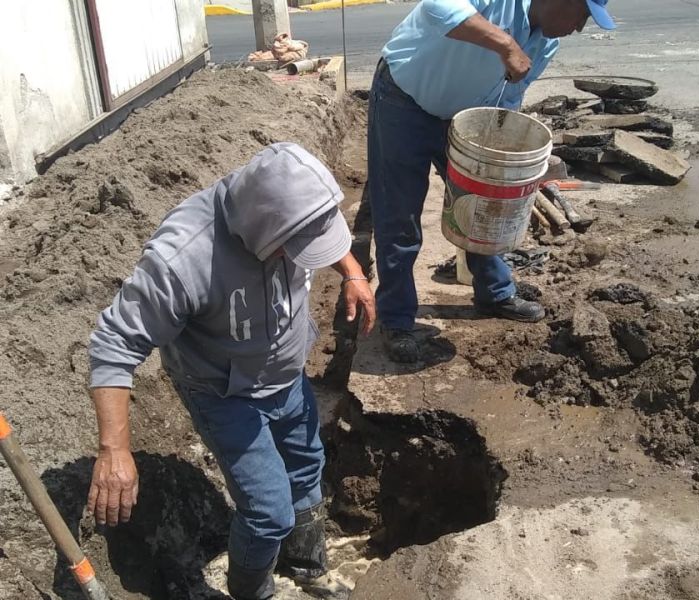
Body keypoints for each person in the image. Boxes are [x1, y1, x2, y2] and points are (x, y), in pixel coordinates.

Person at [85, 143, 375, 600]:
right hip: (224, 392)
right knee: (268, 513)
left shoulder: (291, 211)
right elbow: (114, 343)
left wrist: (352, 271)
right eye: (297, 248)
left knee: (306, 465)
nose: (305, 255)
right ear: (262, 229)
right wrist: (114, 450)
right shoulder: (183, 260)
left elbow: (318, 224)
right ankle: (252, 590)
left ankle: (305, 565)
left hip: (287, 371)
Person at [369, 0, 616, 362]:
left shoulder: (544, 43)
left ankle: (495, 292)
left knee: (485, 203)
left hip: (464, 118)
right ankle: (396, 320)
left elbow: (510, 96)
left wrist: (501, 153)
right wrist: (506, 45)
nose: (578, 28)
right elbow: (436, 8)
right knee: (399, 215)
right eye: (582, 16)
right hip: (402, 102)